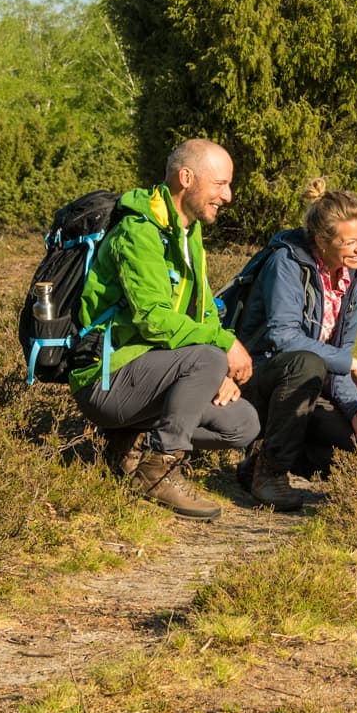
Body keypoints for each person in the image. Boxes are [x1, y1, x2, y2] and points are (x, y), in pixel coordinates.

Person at [70, 138, 260, 519]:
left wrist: (217, 365)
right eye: (220, 184)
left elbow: (204, 313)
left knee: (242, 424)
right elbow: (152, 318)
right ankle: (159, 469)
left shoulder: (188, 234)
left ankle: (128, 441)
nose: (229, 195)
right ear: (186, 178)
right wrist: (222, 347)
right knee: (206, 357)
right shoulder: (138, 233)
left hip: (151, 372)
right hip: (106, 376)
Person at [235, 181, 357, 511]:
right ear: (321, 242)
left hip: (305, 387)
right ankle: (270, 474)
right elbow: (284, 339)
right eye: (350, 242)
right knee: (306, 363)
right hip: (260, 379)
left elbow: (336, 360)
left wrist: (355, 409)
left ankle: (258, 459)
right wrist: (351, 362)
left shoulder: (353, 278)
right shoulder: (286, 264)